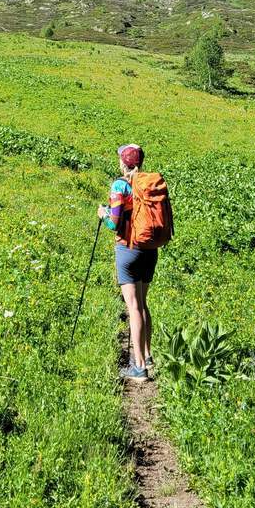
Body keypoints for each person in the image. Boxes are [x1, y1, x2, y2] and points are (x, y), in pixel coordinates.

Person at [97, 143, 156, 381]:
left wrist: (103, 214)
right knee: (142, 303)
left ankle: (139, 367)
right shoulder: (149, 184)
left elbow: (115, 223)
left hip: (128, 248)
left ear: (124, 162)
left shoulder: (120, 185)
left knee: (132, 306)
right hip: (149, 249)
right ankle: (148, 355)